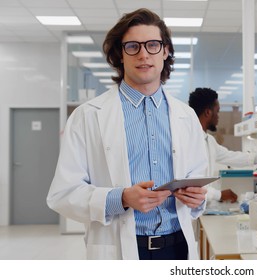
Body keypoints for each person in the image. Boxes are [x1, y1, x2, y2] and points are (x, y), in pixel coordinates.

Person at [46, 8, 208, 260]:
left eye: (153, 45)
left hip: (178, 247)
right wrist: (120, 198)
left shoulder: (186, 117)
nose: (143, 54)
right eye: (133, 46)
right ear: (120, 55)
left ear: (165, 51)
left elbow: (197, 182)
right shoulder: (88, 115)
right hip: (120, 249)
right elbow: (62, 195)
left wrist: (197, 198)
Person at [188, 87, 257, 203]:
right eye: (217, 111)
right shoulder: (190, 141)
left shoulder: (209, 141)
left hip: (199, 206)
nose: (218, 116)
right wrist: (219, 195)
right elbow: (191, 184)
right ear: (208, 112)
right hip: (189, 210)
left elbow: (232, 156)